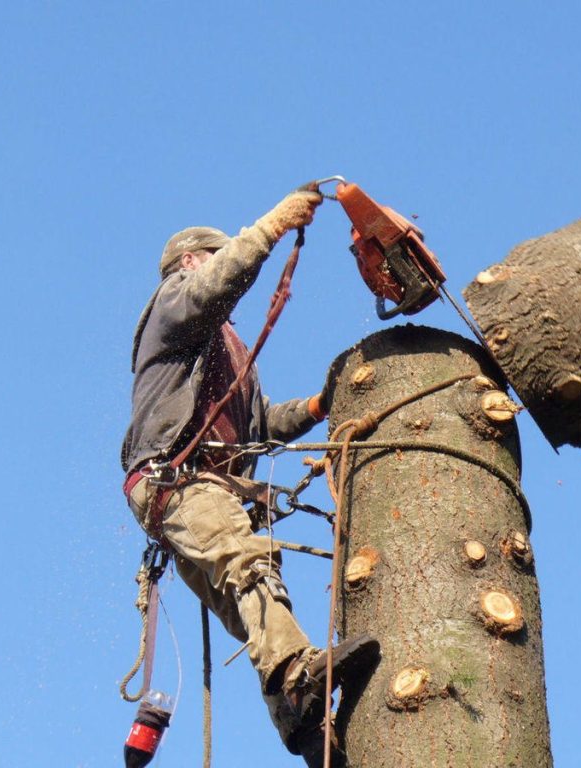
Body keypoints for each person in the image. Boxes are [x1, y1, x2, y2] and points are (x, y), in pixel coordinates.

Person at [121, 190, 377, 764]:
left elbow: (260, 424)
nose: (225, 269)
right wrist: (272, 226)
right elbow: (218, 284)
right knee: (249, 561)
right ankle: (298, 673)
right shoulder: (174, 303)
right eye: (217, 258)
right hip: (176, 479)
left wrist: (318, 406)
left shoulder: (228, 348)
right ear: (192, 260)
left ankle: (302, 726)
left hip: (196, 488)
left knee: (246, 602)